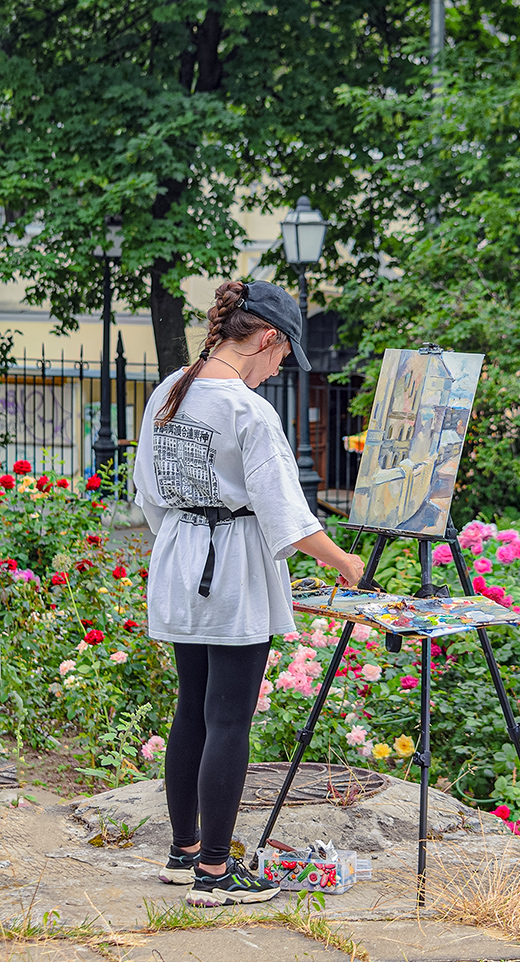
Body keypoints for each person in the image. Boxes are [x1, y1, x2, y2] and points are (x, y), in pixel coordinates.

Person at [133, 279, 365, 907]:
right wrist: (346, 562)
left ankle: (185, 853)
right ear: (266, 337)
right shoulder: (247, 411)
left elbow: (149, 495)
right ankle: (215, 872)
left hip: (180, 556)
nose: (279, 368)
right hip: (230, 567)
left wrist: (185, 534)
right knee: (229, 717)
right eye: (283, 355)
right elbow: (285, 514)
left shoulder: (170, 391)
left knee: (192, 707)